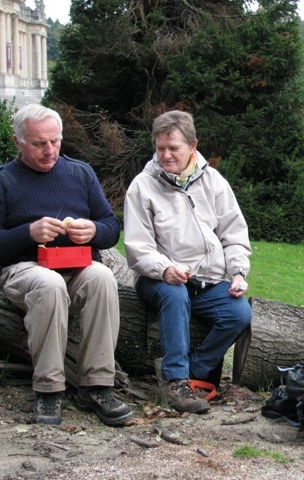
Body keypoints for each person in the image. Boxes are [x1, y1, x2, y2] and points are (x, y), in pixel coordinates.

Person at [0, 104, 133, 427]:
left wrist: (95, 231)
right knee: (49, 285)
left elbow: (111, 227)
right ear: (18, 141)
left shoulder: (79, 173)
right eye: (39, 143)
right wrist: (27, 233)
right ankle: (49, 390)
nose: (49, 151)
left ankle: (98, 386)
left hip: (77, 264)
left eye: (55, 142)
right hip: (26, 268)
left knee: (102, 277)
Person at [124, 110, 252, 414]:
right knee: (174, 294)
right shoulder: (142, 186)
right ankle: (175, 380)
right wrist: (165, 269)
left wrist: (237, 272)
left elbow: (233, 232)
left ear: (192, 146)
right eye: (160, 149)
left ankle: (195, 371)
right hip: (157, 279)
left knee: (239, 313)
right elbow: (137, 248)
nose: (166, 155)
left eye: (174, 148)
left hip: (206, 281)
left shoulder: (213, 181)